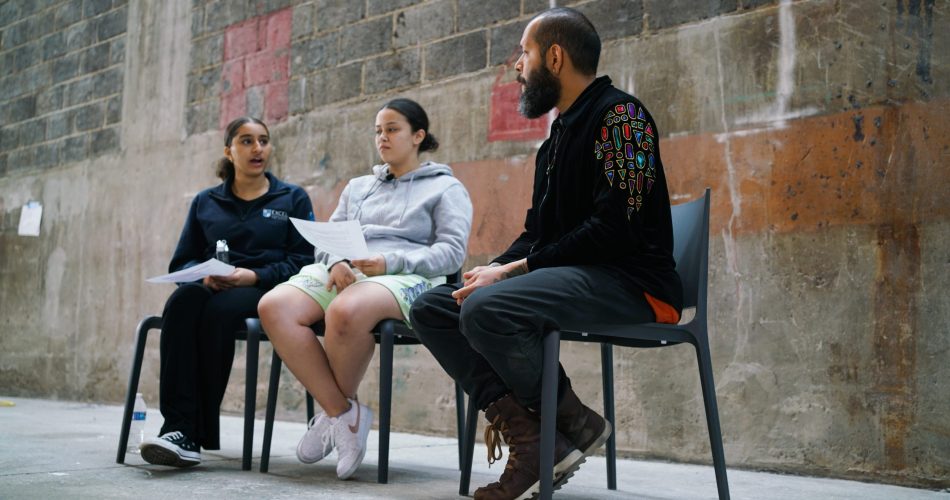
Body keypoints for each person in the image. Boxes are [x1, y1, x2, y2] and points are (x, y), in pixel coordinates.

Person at [409, 7, 684, 499]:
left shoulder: (624, 118)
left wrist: (516, 270)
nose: (518, 66)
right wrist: (494, 267)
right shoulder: (557, 138)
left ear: (554, 57)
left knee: (487, 307)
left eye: (525, 53)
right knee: (433, 307)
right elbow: (539, 232)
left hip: (634, 284)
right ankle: (541, 437)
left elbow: (619, 227)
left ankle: (571, 423)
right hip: (578, 276)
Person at [257, 98, 473, 480]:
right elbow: (327, 236)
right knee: (274, 306)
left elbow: (452, 253)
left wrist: (390, 262)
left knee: (345, 309)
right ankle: (342, 412)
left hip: (407, 277)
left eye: (392, 129)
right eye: (378, 130)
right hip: (347, 271)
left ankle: (333, 415)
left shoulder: (445, 188)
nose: (382, 138)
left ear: (418, 136)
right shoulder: (359, 187)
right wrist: (336, 262)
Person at [139, 117, 315, 468]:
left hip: (266, 290)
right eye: (246, 141)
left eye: (263, 141)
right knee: (182, 301)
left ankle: (190, 433)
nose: (257, 149)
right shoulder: (206, 202)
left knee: (218, 313)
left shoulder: (292, 198)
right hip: (213, 286)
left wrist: (253, 275)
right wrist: (203, 278)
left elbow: (304, 261)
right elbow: (182, 260)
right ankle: (178, 429)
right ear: (229, 151)